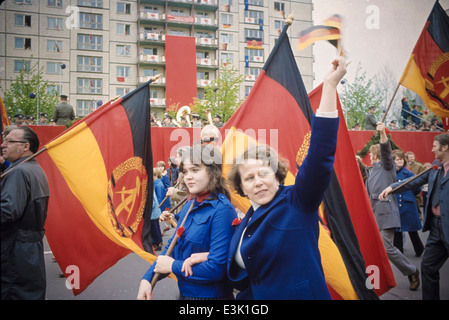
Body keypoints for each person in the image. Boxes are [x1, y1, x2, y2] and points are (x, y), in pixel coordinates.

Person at [184, 56, 348, 300]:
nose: (258, 181)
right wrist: (206, 256)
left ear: (277, 175)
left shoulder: (298, 202)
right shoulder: (246, 220)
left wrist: (330, 87)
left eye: (263, 173)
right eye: (249, 178)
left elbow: (320, 154)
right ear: (242, 187)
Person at [137, 145, 237, 300]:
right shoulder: (191, 205)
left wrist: (172, 266)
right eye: (185, 171)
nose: (187, 176)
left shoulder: (223, 211)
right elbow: (172, 245)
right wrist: (147, 279)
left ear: (213, 171)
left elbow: (217, 268)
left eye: (195, 170)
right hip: (184, 294)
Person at [379, 133, 449, 300]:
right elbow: (416, 180)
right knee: (427, 267)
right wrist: (392, 188)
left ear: (445, 147)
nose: (432, 148)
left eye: (434, 145)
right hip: (436, 228)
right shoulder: (436, 166)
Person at [365, 122, 420, 291]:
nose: (369, 155)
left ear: (376, 155)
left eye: (371, 153)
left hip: (387, 214)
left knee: (387, 248)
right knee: (373, 248)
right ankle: (373, 280)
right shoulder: (371, 171)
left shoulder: (386, 166)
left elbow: (386, 152)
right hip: (374, 216)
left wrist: (383, 135)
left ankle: (411, 270)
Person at [1, 126, 49, 299]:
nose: (3, 145)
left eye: (9, 141)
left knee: (13, 292)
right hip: (29, 249)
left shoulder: (19, 171)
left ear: (25, 146)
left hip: (15, 248)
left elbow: (7, 211)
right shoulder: (34, 169)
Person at [391, 149, 424, 257]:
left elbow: (417, 188)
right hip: (396, 206)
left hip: (408, 206)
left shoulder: (409, 173)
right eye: (397, 160)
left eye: (401, 159)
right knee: (397, 231)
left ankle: (419, 249)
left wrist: (409, 196)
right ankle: (399, 252)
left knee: (412, 230)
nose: (399, 162)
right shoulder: (391, 173)